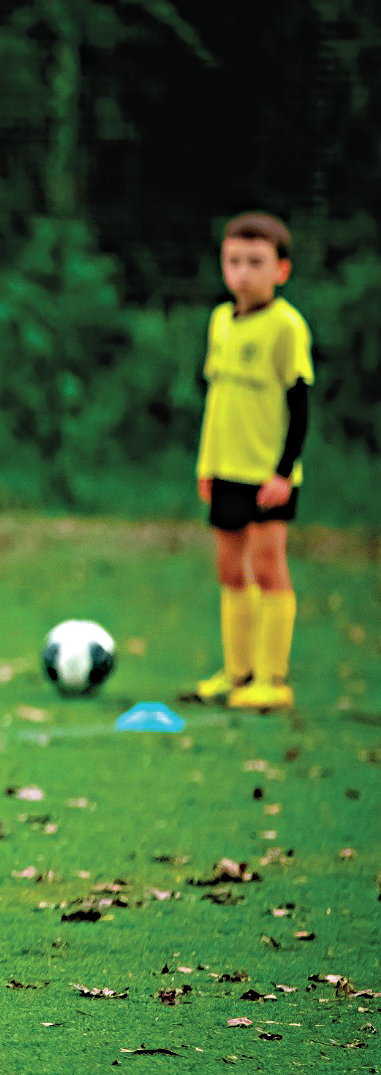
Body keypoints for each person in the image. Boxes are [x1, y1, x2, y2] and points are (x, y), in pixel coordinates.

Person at [192, 213, 312, 711]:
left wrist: (283, 472)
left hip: (268, 475)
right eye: (234, 261)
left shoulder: (286, 327)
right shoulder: (220, 321)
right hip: (225, 469)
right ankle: (237, 673)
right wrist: (206, 465)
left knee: (267, 565)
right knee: (228, 567)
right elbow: (217, 401)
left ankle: (273, 678)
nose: (243, 272)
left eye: (255, 263)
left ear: (280, 271)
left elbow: (300, 404)